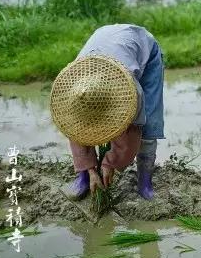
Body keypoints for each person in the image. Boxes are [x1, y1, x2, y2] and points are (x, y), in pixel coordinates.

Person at [50, 24, 164, 200]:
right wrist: (90, 169)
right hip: (102, 45)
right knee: (82, 122)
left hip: (142, 47)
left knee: (149, 123)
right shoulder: (75, 88)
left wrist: (110, 163)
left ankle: (145, 183)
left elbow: (131, 134)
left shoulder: (129, 92)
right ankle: (83, 178)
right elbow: (75, 128)